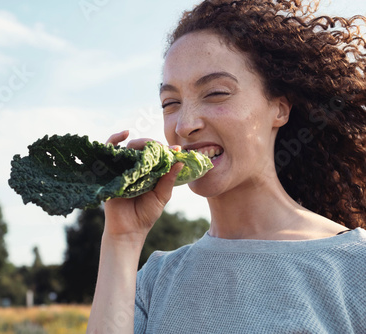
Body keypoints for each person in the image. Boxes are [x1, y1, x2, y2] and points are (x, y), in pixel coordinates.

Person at [87, 0, 366, 332]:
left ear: (279, 108)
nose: (184, 125)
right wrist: (122, 239)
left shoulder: (354, 267)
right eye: (170, 103)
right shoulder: (153, 283)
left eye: (216, 93)